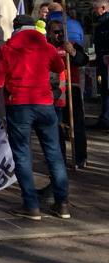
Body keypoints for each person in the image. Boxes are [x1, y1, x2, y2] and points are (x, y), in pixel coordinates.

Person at [0, 15, 69, 220]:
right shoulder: (46, 47)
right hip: (45, 104)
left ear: (15, 29)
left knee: (23, 155)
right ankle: (63, 204)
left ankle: (31, 206)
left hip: (19, 105)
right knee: (54, 154)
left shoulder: (7, 49)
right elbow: (59, 67)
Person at [47, 19, 89, 171]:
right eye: (56, 32)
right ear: (49, 33)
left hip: (72, 88)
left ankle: (80, 157)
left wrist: (72, 52)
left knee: (77, 124)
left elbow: (83, 60)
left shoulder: (71, 44)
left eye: (62, 32)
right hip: (55, 91)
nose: (59, 35)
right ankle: (60, 159)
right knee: (56, 126)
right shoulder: (46, 47)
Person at [92, 0, 109, 130]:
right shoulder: (101, 22)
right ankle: (104, 118)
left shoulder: (106, 22)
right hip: (102, 61)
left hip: (106, 62)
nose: (94, 11)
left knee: (106, 91)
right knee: (104, 90)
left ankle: (105, 120)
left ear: (103, 8)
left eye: (95, 8)